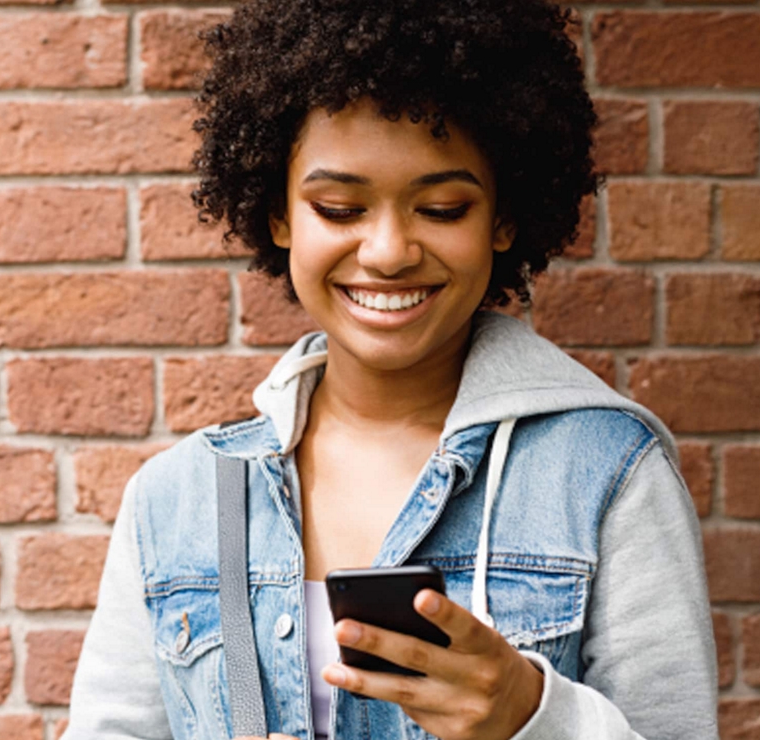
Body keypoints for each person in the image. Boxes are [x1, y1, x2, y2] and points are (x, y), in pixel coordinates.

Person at [66, 0, 718, 738]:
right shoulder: (177, 499)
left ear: (503, 218)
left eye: (441, 208)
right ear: (280, 215)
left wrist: (532, 716)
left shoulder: (607, 475)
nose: (388, 250)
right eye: (339, 207)